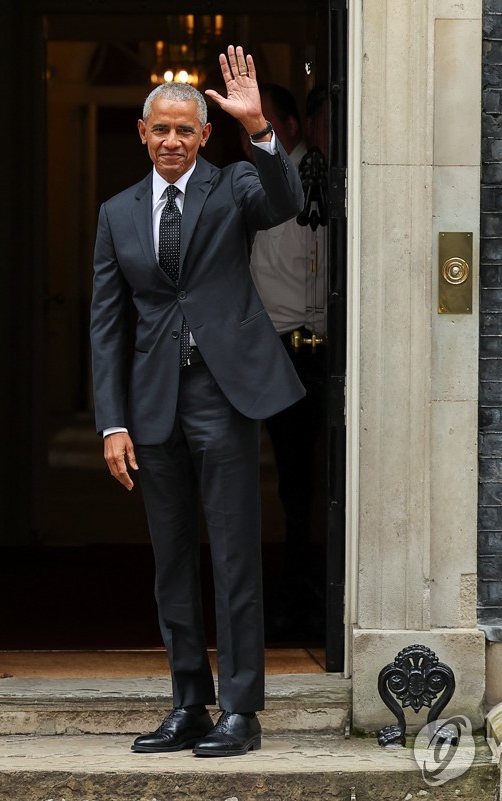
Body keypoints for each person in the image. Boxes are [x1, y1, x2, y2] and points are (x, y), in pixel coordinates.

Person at [90, 46, 304, 758]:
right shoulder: (117, 213)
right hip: (152, 405)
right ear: (143, 133)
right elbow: (107, 323)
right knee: (171, 560)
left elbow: (287, 203)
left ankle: (241, 710)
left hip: (223, 394)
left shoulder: (236, 183)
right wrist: (112, 419)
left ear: (205, 136)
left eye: (187, 130)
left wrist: (261, 131)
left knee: (236, 555)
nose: (174, 141)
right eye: (163, 130)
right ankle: (189, 700)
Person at [245, 84, 328, 642]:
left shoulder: (318, 181)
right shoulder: (260, 186)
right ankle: (295, 597)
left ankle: (306, 596)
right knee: (293, 483)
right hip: (284, 349)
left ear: (291, 127)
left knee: (308, 483)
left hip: (312, 348)